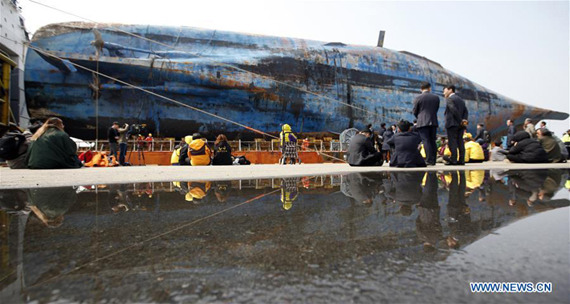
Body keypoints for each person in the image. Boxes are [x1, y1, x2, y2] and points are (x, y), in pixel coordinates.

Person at [412, 82, 440, 166]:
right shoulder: (436, 97)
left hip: (422, 122)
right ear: (429, 88)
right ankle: (434, 160)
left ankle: (428, 160)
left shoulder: (418, 98)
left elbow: (415, 111)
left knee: (426, 140)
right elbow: (436, 109)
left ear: (421, 89)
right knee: (432, 140)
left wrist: (419, 117)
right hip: (433, 120)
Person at [443, 85, 468, 165]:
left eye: (445, 90)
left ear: (450, 90)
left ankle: (453, 159)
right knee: (460, 141)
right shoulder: (461, 100)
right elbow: (466, 111)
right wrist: (463, 120)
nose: (444, 92)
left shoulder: (450, 99)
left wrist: (460, 120)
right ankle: (461, 160)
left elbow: (453, 109)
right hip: (460, 125)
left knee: (452, 142)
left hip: (452, 123)